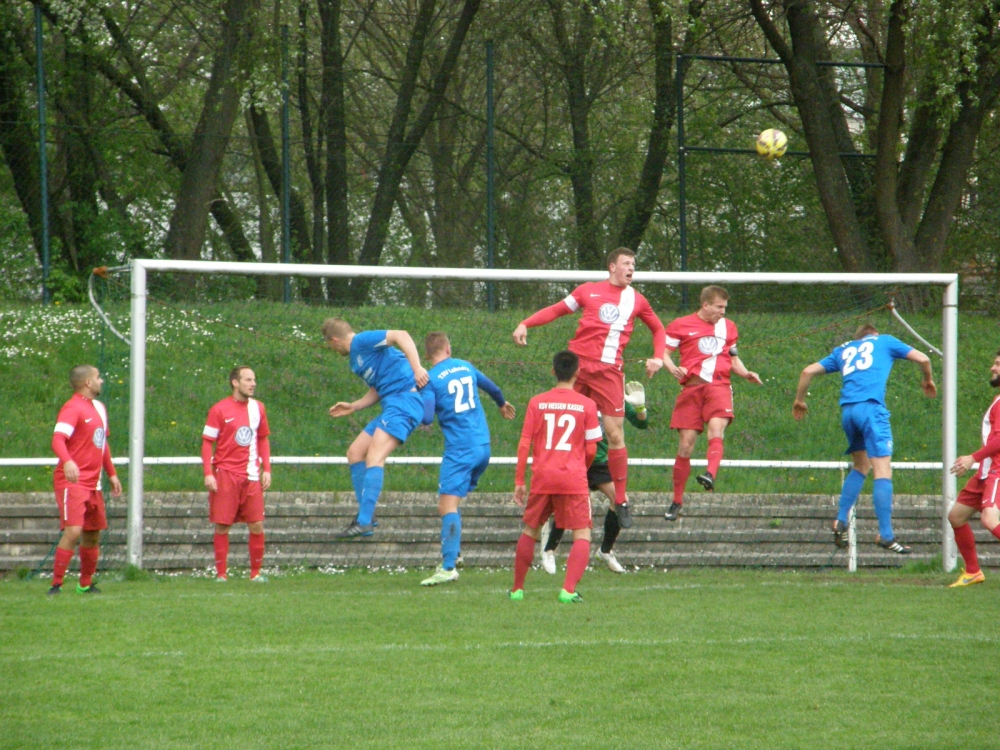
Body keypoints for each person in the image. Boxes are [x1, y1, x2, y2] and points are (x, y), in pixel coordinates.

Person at [512, 248, 665, 529]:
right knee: (560, 424)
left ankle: (620, 499)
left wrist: (658, 356)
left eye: (634, 264)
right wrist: (525, 323)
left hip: (609, 372)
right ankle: (554, 483)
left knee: (615, 432)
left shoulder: (637, 300)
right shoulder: (588, 290)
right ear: (612, 267)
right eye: (626, 263)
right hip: (579, 367)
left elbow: (658, 329)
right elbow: (557, 310)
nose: (631, 268)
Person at [793, 323, 936, 554]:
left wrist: (800, 400)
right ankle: (886, 535)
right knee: (882, 470)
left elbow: (807, 371)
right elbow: (923, 359)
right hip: (871, 409)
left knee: (861, 466)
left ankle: (840, 519)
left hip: (848, 413)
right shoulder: (885, 341)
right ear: (874, 335)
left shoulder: (842, 350)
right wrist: (927, 379)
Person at [418, 332, 516, 586]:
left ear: (427, 356)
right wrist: (502, 404)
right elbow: (493, 388)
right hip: (483, 446)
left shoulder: (429, 379)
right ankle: (455, 553)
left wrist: (417, 398)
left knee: (446, 506)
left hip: (460, 450)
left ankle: (448, 566)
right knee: (453, 500)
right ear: (448, 348)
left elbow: (428, 417)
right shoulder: (465, 366)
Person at [510, 351, 603, 603]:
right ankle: (568, 590)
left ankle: (517, 590)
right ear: (577, 373)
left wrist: (520, 481)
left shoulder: (536, 402)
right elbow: (593, 447)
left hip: (542, 477)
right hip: (572, 477)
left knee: (531, 531)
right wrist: (580, 468)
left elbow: (524, 443)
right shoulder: (588, 405)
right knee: (582, 533)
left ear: (553, 371)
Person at [662, 286, 762, 521]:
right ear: (705, 305)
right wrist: (672, 368)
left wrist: (746, 373)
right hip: (692, 389)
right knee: (686, 446)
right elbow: (663, 352)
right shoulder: (680, 325)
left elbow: (733, 358)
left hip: (719, 386)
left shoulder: (728, 327)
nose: (722, 312)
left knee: (716, 430)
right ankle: (677, 501)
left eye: (725, 308)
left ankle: (710, 473)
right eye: (719, 307)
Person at [324, 319, 429, 538]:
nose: (332, 350)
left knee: (374, 456)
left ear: (334, 341)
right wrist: (354, 406)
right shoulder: (356, 359)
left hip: (405, 402)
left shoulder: (362, 341)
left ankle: (363, 522)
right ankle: (367, 517)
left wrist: (417, 367)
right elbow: (379, 387)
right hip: (392, 404)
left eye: (330, 345)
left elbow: (401, 333)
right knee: (355, 453)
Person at [542, 381, 648, 574]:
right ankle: (550, 550)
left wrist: (640, 407)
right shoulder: (579, 398)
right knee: (566, 505)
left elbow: (642, 423)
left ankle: (605, 551)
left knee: (621, 500)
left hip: (600, 463)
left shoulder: (613, 400)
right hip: (578, 460)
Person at [48, 365, 123, 595]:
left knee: (93, 533)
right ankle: (56, 584)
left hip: (94, 482)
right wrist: (68, 461)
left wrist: (111, 473)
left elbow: (103, 444)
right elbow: (58, 440)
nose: (102, 381)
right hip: (73, 481)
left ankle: (85, 583)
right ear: (88, 383)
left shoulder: (99, 408)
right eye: (98, 377)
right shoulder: (72, 408)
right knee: (74, 532)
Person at [202, 366, 272, 583]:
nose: (253, 384)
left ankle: (255, 574)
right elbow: (207, 442)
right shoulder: (219, 410)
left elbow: (262, 438)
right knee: (223, 525)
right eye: (248, 380)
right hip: (225, 475)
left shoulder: (258, 408)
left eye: (254, 380)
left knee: (257, 524)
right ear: (235, 382)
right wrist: (208, 473)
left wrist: (266, 468)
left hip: (251, 475)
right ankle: (221, 575)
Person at [946, 350, 1000, 587]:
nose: (992, 368)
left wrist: (972, 457)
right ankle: (973, 572)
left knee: (990, 520)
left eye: (997, 364)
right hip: (985, 472)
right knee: (956, 516)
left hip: (997, 471)